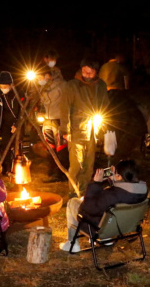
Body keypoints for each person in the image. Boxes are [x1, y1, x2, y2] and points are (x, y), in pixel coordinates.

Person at [59, 159, 148, 252]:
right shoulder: (142, 191)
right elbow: (121, 191)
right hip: (124, 226)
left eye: (115, 173)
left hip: (98, 227)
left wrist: (96, 183)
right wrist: (114, 181)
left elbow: (88, 208)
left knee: (72, 202)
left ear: (119, 176)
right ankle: (107, 239)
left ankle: (72, 244)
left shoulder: (112, 195)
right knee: (106, 211)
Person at [60, 58, 110, 197]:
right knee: (76, 164)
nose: (87, 75)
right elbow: (65, 108)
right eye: (84, 72)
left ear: (96, 72)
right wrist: (65, 129)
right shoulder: (72, 85)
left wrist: (102, 127)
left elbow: (105, 106)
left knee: (89, 164)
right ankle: (73, 192)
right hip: (76, 129)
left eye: (90, 72)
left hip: (93, 129)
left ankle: (83, 190)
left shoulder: (100, 86)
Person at [35, 69, 69, 183]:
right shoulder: (43, 88)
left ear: (48, 76)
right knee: (50, 147)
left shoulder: (62, 85)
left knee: (61, 148)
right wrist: (40, 110)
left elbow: (69, 101)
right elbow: (41, 102)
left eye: (41, 77)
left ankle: (62, 173)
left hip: (59, 119)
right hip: (47, 119)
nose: (39, 80)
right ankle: (53, 170)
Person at [0, 71, 21, 173]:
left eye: (5, 86)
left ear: (10, 85)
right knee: (4, 147)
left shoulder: (17, 95)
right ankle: (7, 169)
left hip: (15, 124)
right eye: (1, 86)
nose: (3, 88)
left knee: (16, 146)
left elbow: (21, 112)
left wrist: (16, 125)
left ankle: (18, 168)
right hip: (3, 126)